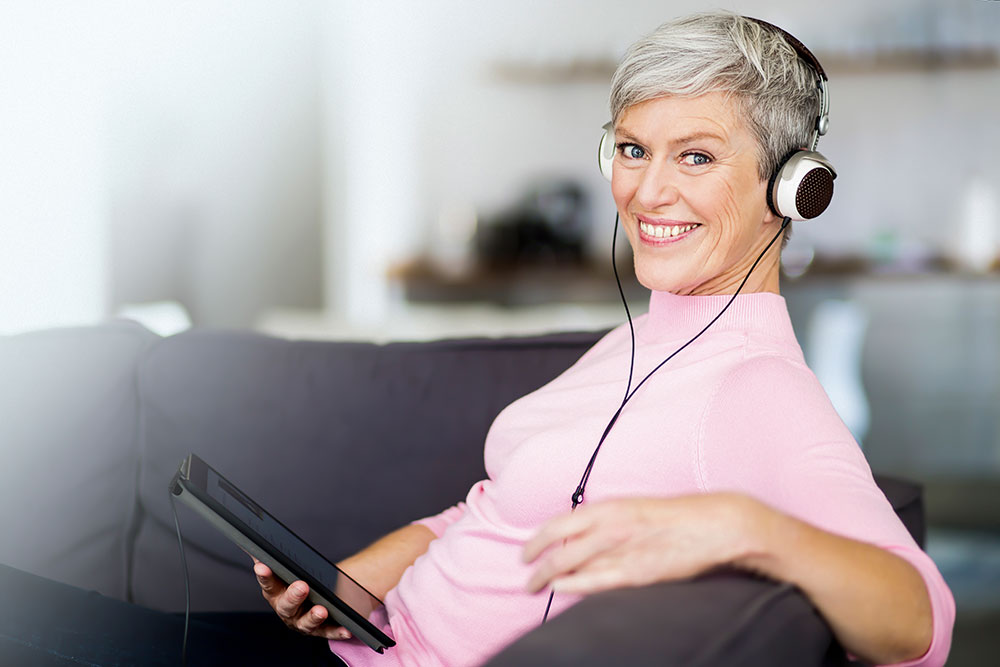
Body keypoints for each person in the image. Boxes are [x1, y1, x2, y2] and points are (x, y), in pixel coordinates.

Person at [254, 10, 954, 667]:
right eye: (632, 149)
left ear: (793, 188)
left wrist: (751, 528)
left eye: (696, 157)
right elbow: (487, 510)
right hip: (360, 643)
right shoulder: (634, 340)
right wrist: (346, 587)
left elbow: (923, 623)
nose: (647, 193)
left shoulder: (759, 386)